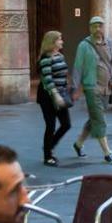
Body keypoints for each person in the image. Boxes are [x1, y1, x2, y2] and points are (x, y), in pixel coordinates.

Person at [71, 16, 112, 164]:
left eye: (100, 26)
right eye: (94, 26)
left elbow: (111, 63)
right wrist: (75, 87)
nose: (97, 29)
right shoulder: (84, 45)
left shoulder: (109, 43)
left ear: (103, 27)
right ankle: (107, 152)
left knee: (94, 117)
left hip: (106, 87)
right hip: (91, 87)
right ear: (90, 28)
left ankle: (78, 144)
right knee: (99, 119)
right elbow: (78, 67)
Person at [37, 31, 72, 167]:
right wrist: (56, 96)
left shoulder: (60, 56)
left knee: (66, 124)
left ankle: (49, 146)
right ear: (52, 42)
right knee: (50, 125)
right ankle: (48, 156)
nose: (62, 41)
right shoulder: (45, 58)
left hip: (60, 93)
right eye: (59, 39)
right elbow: (48, 80)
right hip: (47, 96)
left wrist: (67, 89)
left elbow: (63, 74)